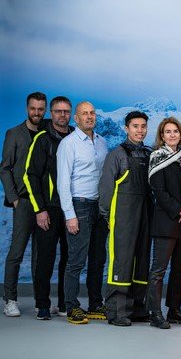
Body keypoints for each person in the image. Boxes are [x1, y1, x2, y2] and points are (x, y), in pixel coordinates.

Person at [57, 101, 109, 325]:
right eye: (84, 114)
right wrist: (69, 214)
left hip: (99, 207)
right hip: (79, 205)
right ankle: (71, 307)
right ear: (75, 119)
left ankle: (96, 304)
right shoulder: (68, 144)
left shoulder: (102, 142)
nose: (89, 117)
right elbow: (62, 182)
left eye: (92, 113)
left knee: (98, 259)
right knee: (76, 259)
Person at [99, 111, 152, 326]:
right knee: (122, 260)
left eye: (143, 126)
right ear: (126, 128)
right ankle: (116, 311)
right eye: (135, 126)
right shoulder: (117, 155)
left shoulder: (149, 154)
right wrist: (107, 215)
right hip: (122, 214)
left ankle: (137, 308)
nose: (140, 130)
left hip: (144, 213)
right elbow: (105, 188)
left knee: (141, 259)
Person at [24, 96, 74, 320]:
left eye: (66, 111)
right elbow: (31, 175)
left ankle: (64, 303)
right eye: (58, 111)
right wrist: (39, 209)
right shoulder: (43, 139)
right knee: (45, 257)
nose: (62, 115)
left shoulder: (76, 137)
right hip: (50, 209)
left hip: (71, 208)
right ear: (51, 113)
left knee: (69, 257)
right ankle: (42, 304)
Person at [146, 117, 181, 329]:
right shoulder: (157, 157)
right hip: (166, 221)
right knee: (159, 270)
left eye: (176, 131)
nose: (172, 135)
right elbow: (160, 192)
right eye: (168, 132)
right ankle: (154, 312)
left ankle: (174, 310)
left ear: (180, 134)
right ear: (162, 135)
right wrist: (180, 211)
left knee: (178, 269)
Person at [1, 92, 46, 317]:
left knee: (41, 254)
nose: (36, 113)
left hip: (45, 203)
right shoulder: (14, 134)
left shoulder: (48, 132)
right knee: (17, 251)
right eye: (33, 108)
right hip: (25, 201)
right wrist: (15, 199)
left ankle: (41, 301)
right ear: (27, 108)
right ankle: (9, 298)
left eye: (40, 109)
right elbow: (5, 168)